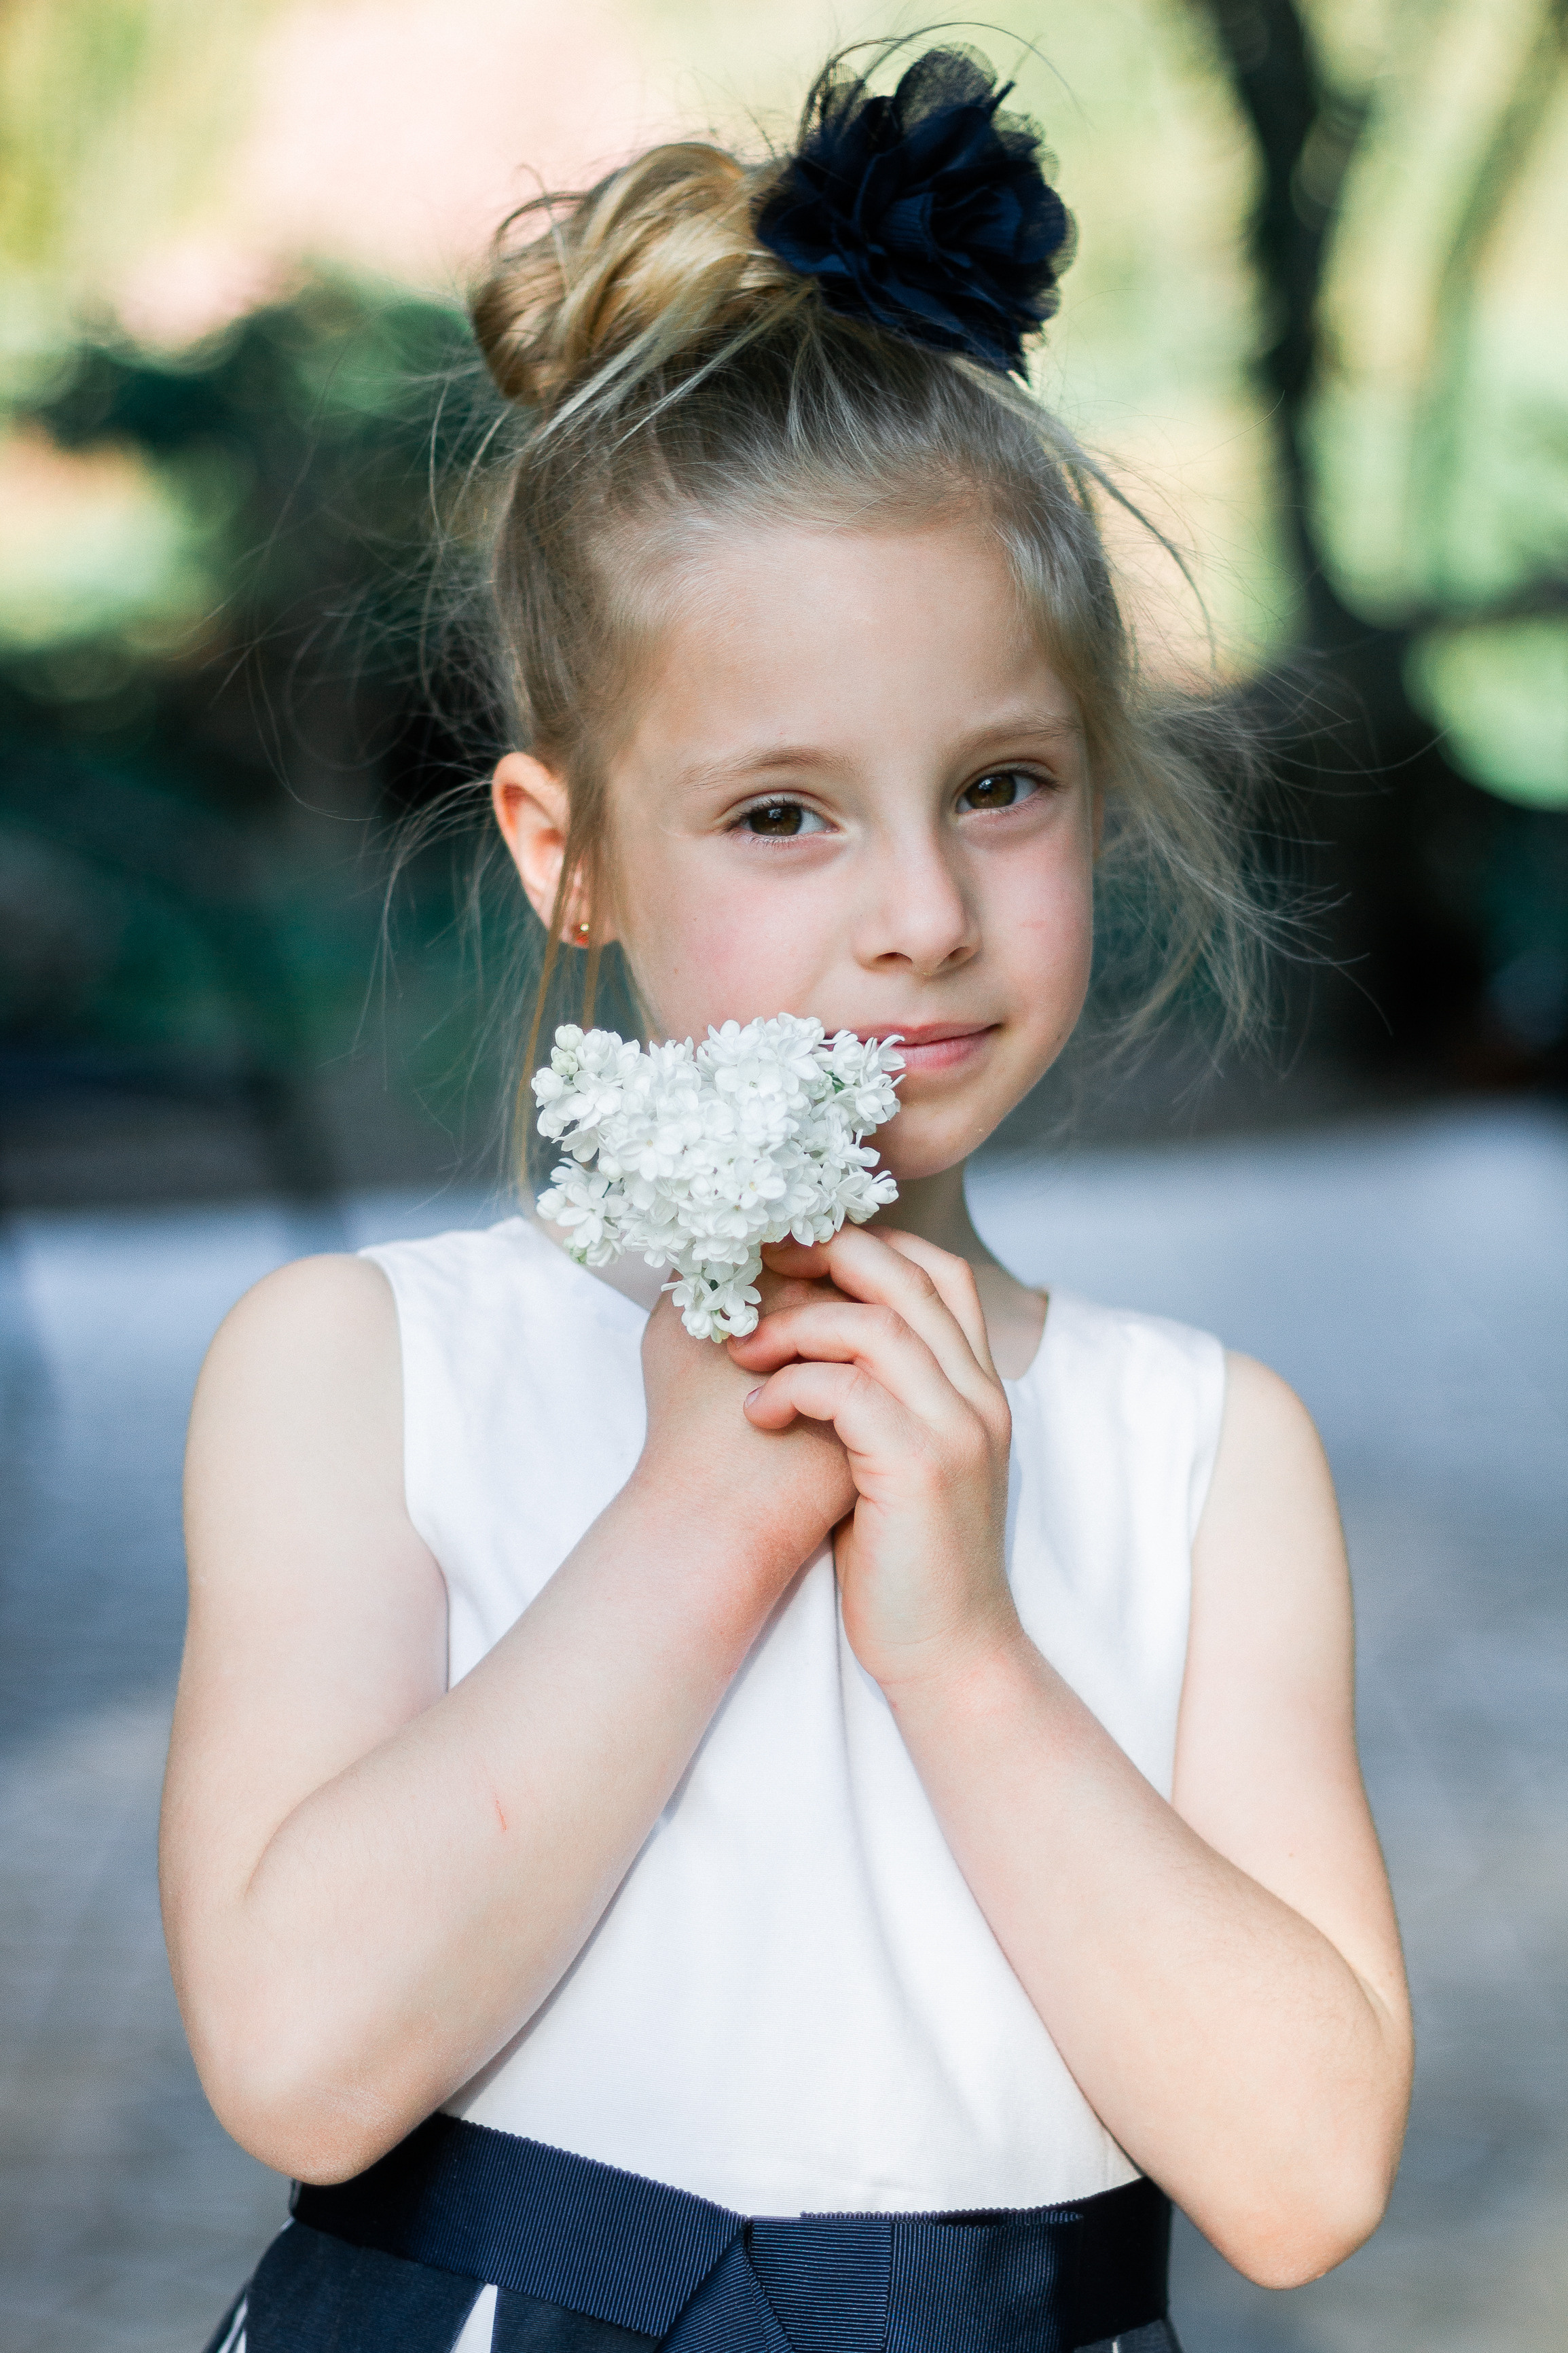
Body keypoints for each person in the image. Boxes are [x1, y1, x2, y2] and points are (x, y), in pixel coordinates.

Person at [164, 45, 1412, 2353]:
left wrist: (965, 1651)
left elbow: (1309, 2178)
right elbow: (302, 2061)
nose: (922, 915)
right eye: (781, 816)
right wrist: (704, 1519)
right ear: (567, 849)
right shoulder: (366, 1373)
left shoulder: (1196, 1453)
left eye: (1003, 786)